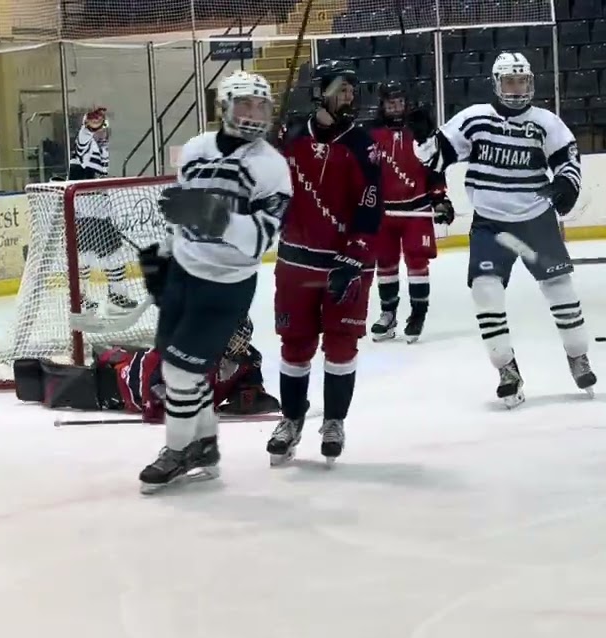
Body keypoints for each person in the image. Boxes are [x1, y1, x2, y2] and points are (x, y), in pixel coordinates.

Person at [135, 70, 291, 493]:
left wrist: (211, 215)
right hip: (186, 271)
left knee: (182, 373)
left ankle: (179, 450)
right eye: (245, 104)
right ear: (223, 107)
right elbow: (182, 210)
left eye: (261, 105)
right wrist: (165, 253)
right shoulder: (196, 149)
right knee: (173, 363)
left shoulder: (272, 167)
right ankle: (203, 447)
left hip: (227, 283)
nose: (254, 113)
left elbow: (258, 239)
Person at [414, 51, 594, 408]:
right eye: (509, 81)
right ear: (496, 84)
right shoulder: (474, 119)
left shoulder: (546, 122)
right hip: (491, 224)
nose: (516, 88)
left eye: (522, 81)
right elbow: (434, 160)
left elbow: (569, 163)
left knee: (559, 288)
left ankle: (578, 355)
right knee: (485, 291)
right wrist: (424, 137)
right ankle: (506, 367)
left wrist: (566, 186)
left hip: (535, 219)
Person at [270, 60, 383, 465]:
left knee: (340, 344)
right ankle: (290, 421)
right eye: (341, 88)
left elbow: (370, 209)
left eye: (353, 89)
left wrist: (353, 258)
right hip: (296, 261)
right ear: (320, 92)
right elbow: (265, 180)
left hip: (343, 263)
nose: (349, 96)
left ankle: (334, 421)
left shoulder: (363, 145)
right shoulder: (292, 135)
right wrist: (264, 148)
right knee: (295, 345)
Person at [13, 319, 280, 423]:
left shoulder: (248, 360)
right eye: (234, 338)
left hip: (139, 366)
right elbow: (156, 388)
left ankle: (115, 352)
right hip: (120, 385)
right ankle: (36, 374)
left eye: (242, 338)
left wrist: (249, 398)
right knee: (65, 386)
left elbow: (251, 390)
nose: (240, 344)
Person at [364, 80, 454, 343]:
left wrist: (440, 199)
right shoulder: (370, 133)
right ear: (382, 105)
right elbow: (362, 172)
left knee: (417, 262)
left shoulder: (420, 129)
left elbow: (435, 168)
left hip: (417, 209)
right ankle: (388, 314)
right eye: (390, 102)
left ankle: (417, 314)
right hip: (384, 213)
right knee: (386, 264)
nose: (396, 107)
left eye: (400, 102)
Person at [67, 106, 137, 312]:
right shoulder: (85, 146)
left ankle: (111, 297)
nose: (103, 132)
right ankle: (91, 299)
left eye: (104, 128)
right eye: (99, 128)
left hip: (98, 211)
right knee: (89, 256)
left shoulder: (100, 150)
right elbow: (83, 138)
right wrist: (90, 125)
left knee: (106, 254)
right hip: (86, 211)